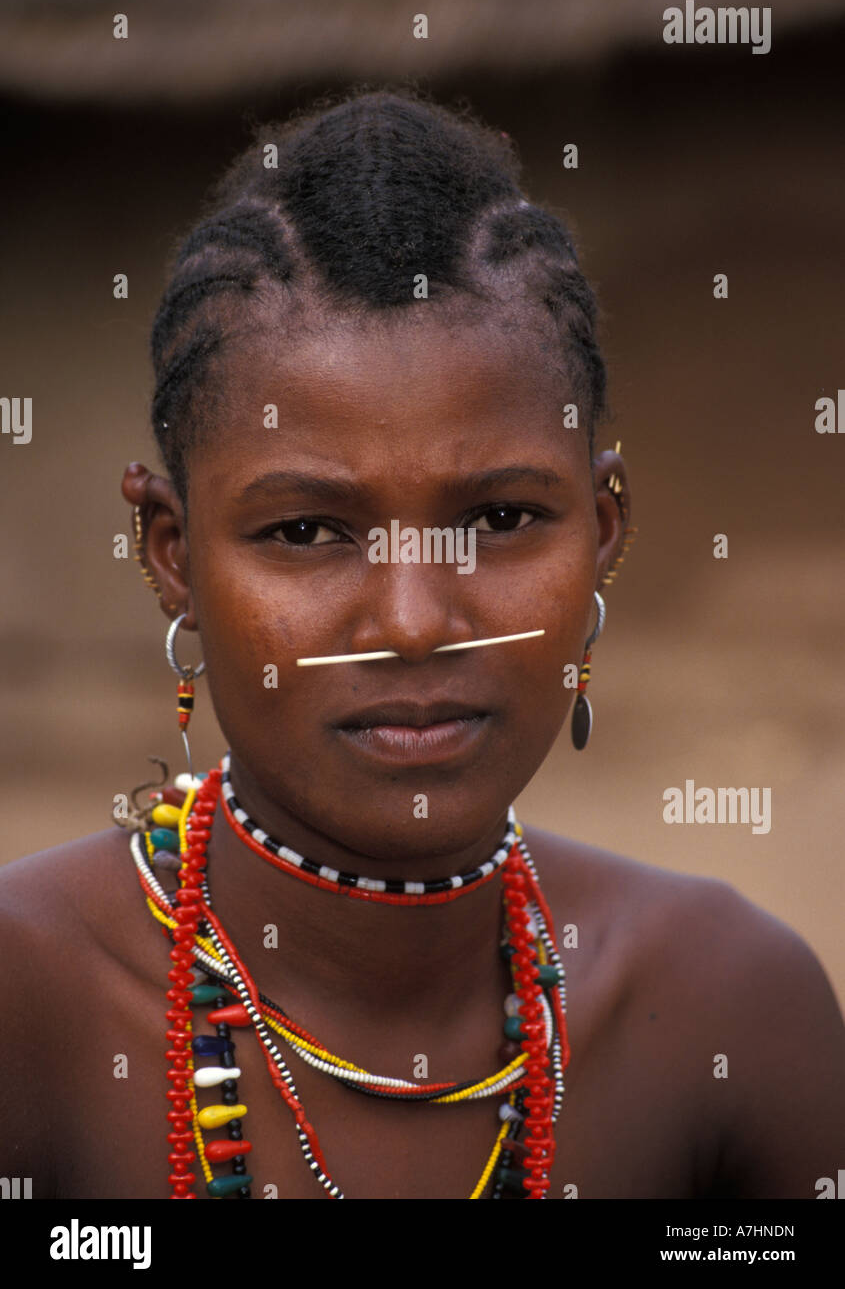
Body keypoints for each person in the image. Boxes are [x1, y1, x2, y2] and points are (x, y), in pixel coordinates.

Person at [1, 88, 842, 1201]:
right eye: (306, 531)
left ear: (603, 533)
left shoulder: (729, 1006)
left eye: (498, 519)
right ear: (172, 554)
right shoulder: (31, 1003)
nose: (410, 620)